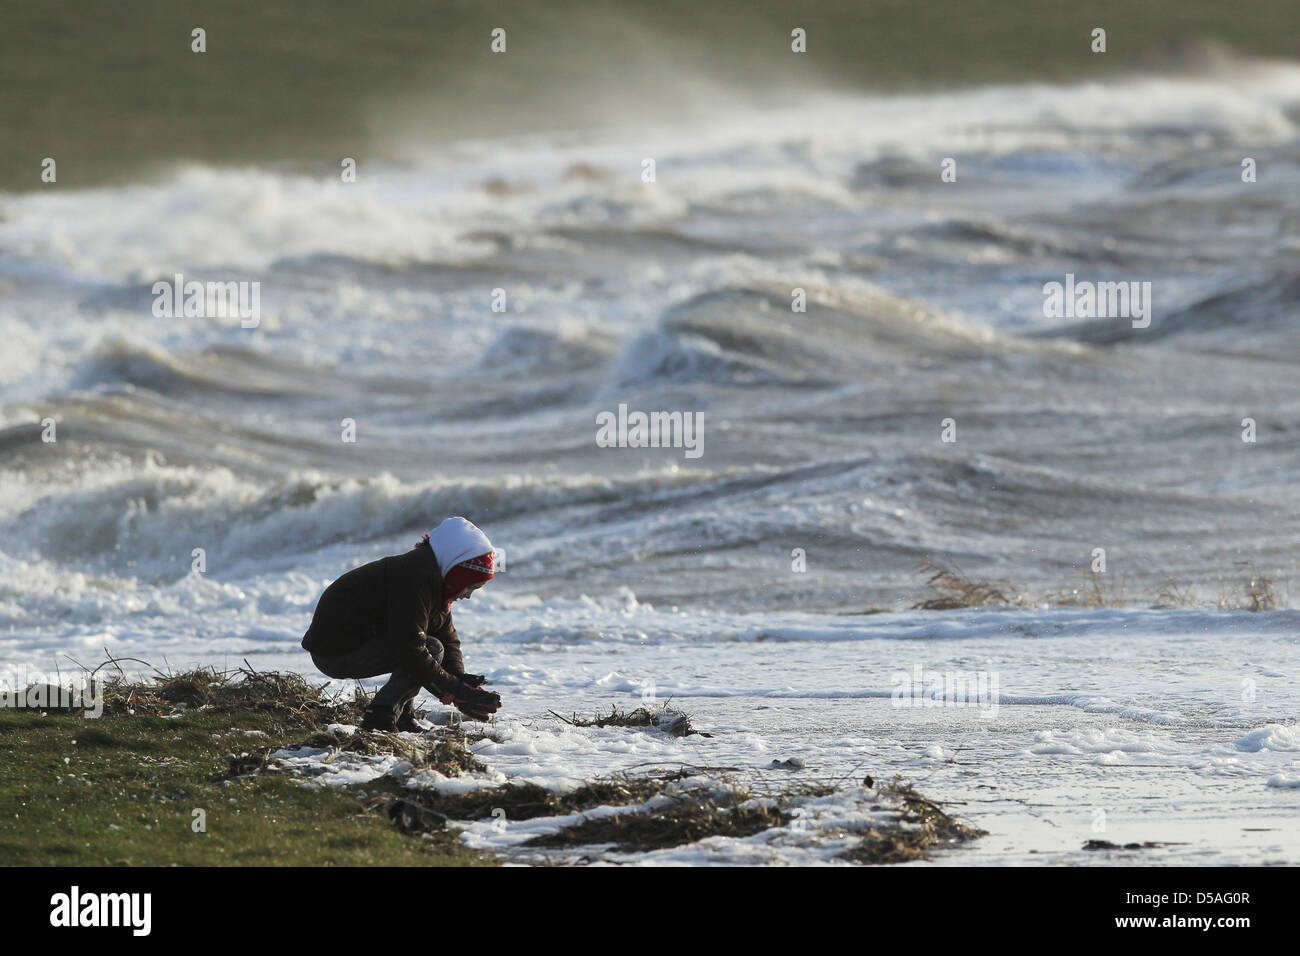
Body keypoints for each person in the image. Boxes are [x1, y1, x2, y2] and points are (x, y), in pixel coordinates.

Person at [301, 516, 502, 731]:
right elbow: (409, 649)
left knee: (426, 644)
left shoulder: (432, 577)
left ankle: (403, 717)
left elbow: (447, 636)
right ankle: (380, 715)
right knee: (427, 648)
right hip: (334, 653)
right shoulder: (415, 578)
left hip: (353, 644)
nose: (468, 595)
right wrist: (455, 691)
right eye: (469, 587)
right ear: (457, 573)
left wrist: (460, 679)